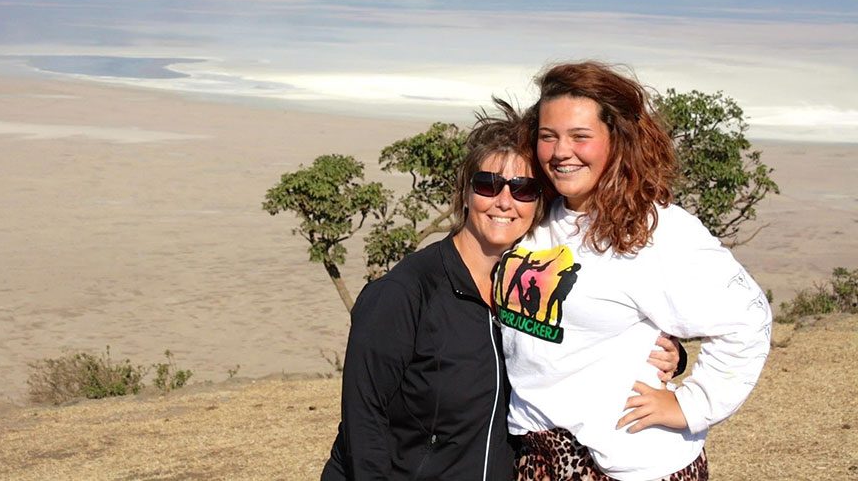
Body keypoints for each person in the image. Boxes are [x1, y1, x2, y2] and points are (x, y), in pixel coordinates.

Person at [321, 100, 682, 480]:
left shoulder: (530, 287)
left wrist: (665, 351)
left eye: (523, 189)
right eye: (488, 184)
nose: (504, 202)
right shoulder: (404, 293)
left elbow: (593, 332)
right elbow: (364, 421)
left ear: (540, 202)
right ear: (465, 192)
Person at [496, 62, 772, 481]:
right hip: (539, 455)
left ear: (617, 141)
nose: (559, 151)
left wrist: (692, 405)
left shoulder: (657, 230)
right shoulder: (534, 217)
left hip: (630, 465)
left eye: (580, 136)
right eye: (547, 136)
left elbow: (748, 319)